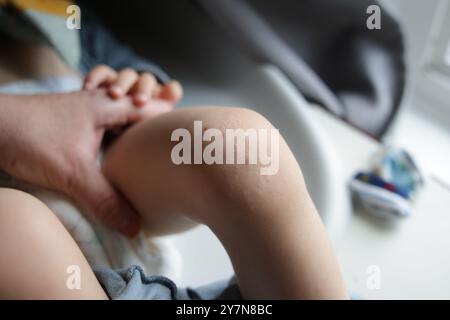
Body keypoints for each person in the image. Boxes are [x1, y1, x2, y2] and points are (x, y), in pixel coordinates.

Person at [0, 1, 347, 299]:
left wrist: (136, 87)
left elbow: (103, 48)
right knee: (16, 228)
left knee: (239, 145)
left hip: (97, 154)